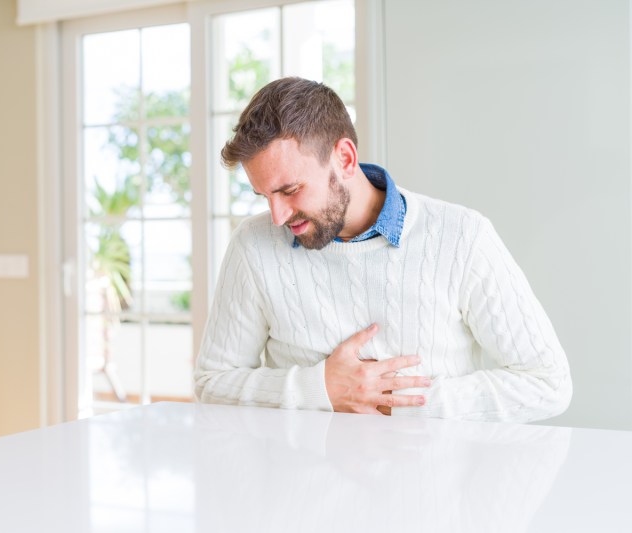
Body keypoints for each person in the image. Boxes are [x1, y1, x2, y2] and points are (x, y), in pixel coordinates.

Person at [193, 77, 572, 422]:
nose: (276, 217)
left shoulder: (463, 237)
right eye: (264, 196)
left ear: (344, 158)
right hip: (299, 493)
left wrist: (397, 400)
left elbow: (547, 383)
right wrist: (319, 389)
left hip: (433, 494)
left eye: (290, 190)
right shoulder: (252, 245)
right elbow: (212, 382)